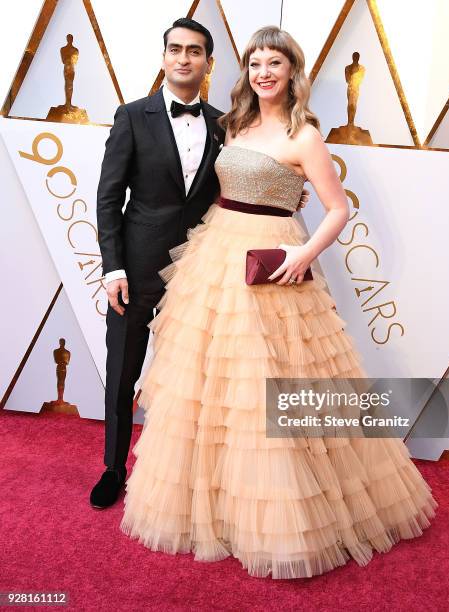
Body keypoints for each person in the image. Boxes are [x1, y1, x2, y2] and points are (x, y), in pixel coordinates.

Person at [120, 26, 437, 579]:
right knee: (212, 387)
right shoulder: (234, 125)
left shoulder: (305, 135)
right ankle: (213, 508)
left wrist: (304, 255)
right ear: (246, 71)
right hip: (216, 252)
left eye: (275, 63)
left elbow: (336, 209)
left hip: (274, 261)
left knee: (274, 385)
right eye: (256, 63)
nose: (264, 72)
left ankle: (287, 511)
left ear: (293, 72)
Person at [92, 18, 308, 509]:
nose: (184, 59)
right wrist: (113, 267)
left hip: (205, 268)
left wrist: (289, 194)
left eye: (194, 51)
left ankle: (186, 478)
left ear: (209, 63)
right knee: (124, 369)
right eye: (175, 50)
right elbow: (108, 198)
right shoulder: (131, 116)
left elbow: (248, 181)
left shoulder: (226, 124)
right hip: (139, 268)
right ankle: (112, 467)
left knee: (197, 381)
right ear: (164, 57)